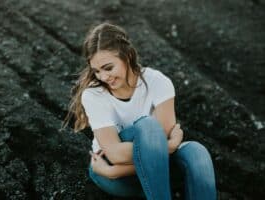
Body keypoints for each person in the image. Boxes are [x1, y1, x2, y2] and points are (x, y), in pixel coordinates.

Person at [63, 22, 216, 200]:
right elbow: (114, 154)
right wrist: (168, 147)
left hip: (144, 170)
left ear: (127, 56)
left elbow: (158, 146)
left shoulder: (157, 81)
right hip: (116, 177)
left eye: (108, 68)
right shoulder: (93, 95)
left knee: (197, 153)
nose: (103, 77)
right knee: (149, 126)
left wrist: (121, 168)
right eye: (97, 71)